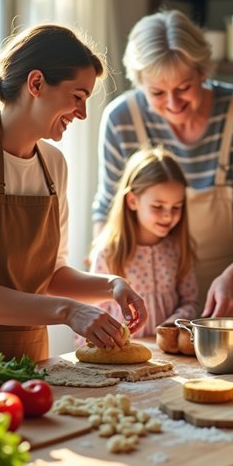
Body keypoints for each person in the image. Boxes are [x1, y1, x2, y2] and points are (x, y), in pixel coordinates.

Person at [0, 23, 146, 362]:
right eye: (77, 97)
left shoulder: (53, 164)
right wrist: (69, 311)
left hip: (30, 360)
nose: (82, 114)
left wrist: (111, 285)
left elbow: (50, 274)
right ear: (36, 83)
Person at [92, 8, 233, 317]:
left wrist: (232, 277)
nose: (173, 104)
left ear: (203, 72)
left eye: (184, 87)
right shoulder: (122, 120)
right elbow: (109, 213)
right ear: (139, 83)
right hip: (144, 300)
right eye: (158, 92)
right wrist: (107, 276)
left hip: (222, 293)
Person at [86, 145, 198, 340]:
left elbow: (191, 301)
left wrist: (175, 323)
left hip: (168, 355)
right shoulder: (108, 253)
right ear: (132, 201)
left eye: (176, 207)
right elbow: (91, 314)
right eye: (157, 206)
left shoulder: (177, 249)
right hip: (118, 356)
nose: (167, 215)